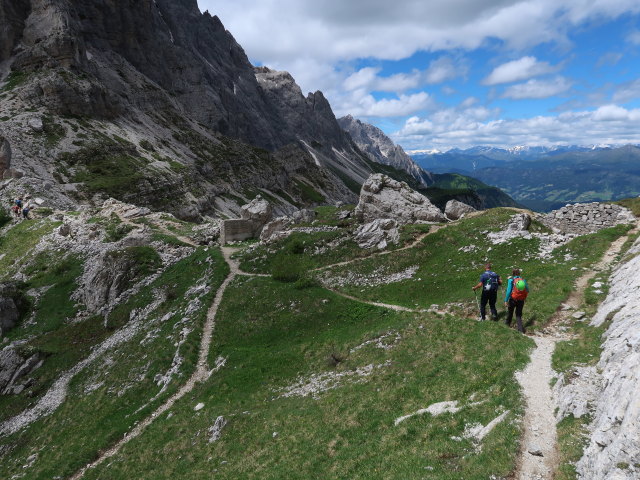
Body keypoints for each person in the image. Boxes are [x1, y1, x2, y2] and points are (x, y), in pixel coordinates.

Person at [504, 269, 529, 333]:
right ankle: (520, 330)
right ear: (519, 273)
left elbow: (509, 291)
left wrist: (506, 300)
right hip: (521, 300)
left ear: (513, 274)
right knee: (518, 315)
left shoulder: (511, 280)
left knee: (510, 313)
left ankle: (506, 326)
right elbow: (527, 290)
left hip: (513, 299)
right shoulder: (523, 280)